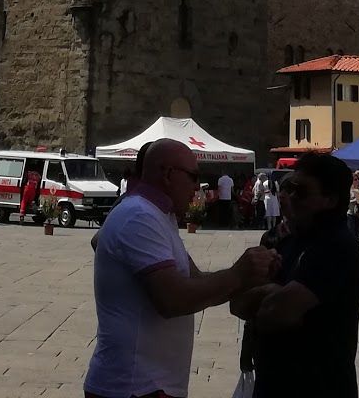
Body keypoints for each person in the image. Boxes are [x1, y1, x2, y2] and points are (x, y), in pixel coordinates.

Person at [84, 137, 275, 398]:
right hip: (135, 386)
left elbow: (196, 281)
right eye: (193, 176)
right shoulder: (140, 216)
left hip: (149, 385)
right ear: (168, 174)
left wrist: (250, 280)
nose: (197, 186)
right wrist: (239, 273)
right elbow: (173, 300)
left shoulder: (159, 216)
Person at [233, 151, 359, 398]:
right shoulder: (286, 239)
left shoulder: (337, 245)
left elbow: (277, 311)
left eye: (301, 191)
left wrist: (268, 295)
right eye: (291, 188)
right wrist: (272, 294)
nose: (290, 196)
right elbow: (238, 304)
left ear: (329, 199)